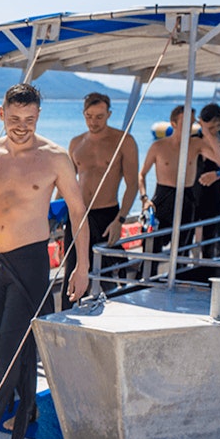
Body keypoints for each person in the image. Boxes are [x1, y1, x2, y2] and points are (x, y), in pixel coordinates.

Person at [0, 84, 90, 439]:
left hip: (31, 262)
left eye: (30, 120)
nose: (22, 126)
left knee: (8, 346)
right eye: (15, 119)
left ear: (39, 116)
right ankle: (29, 405)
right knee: (15, 342)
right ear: (2, 114)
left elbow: (77, 210)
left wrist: (81, 266)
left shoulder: (54, 157)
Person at [61, 92, 140, 308]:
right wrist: (55, 214)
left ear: (109, 114)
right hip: (78, 215)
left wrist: (120, 220)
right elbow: (67, 183)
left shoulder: (124, 141)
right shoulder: (76, 143)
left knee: (108, 276)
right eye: (89, 116)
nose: (93, 122)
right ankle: (69, 323)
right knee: (73, 271)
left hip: (107, 214)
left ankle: (112, 319)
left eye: (99, 116)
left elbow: (132, 184)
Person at [138, 105, 220, 253]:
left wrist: (206, 132)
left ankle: (181, 273)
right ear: (173, 123)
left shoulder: (196, 144)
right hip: (163, 197)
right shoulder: (158, 146)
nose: (189, 126)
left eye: (192, 122)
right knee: (152, 246)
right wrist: (144, 198)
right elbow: (141, 174)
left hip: (187, 198)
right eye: (185, 122)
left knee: (183, 247)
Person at [193, 103, 220, 255]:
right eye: (210, 128)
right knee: (190, 229)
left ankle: (207, 264)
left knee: (209, 231)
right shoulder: (195, 139)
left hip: (213, 189)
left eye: (217, 127)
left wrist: (210, 137)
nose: (214, 130)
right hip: (194, 188)